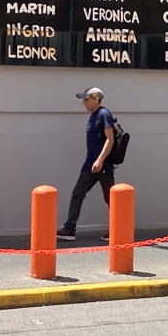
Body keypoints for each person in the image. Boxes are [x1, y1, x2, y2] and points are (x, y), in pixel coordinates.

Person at [57, 87, 115, 242]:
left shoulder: (104, 114)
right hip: (90, 164)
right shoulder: (93, 116)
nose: (84, 102)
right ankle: (69, 229)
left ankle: (117, 231)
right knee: (77, 193)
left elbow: (110, 139)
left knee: (111, 198)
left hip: (103, 165)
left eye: (86, 99)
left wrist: (100, 160)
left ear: (96, 99)